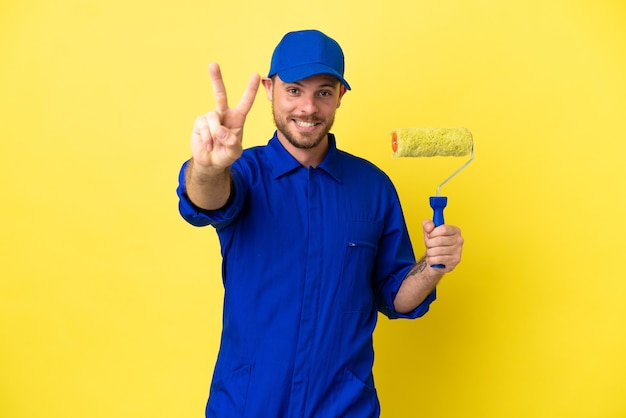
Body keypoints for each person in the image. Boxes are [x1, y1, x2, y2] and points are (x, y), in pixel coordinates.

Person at [176, 29, 464, 418]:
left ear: (340, 97)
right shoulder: (242, 173)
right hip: (248, 404)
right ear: (269, 89)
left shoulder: (372, 187)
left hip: (343, 406)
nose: (308, 108)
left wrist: (432, 268)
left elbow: (395, 297)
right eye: (294, 90)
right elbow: (205, 201)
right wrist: (209, 166)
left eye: (323, 92)